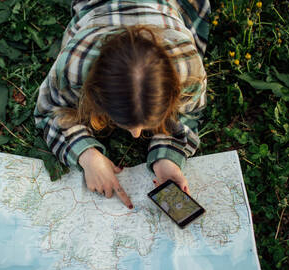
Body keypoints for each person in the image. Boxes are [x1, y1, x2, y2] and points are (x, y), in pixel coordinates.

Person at [35, 0, 210, 209]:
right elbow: (49, 110)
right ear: (95, 93)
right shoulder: (75, 64)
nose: (136, 135)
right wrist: (87, 155)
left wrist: (168, 158)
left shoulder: (188, 67)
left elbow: (190, 112)